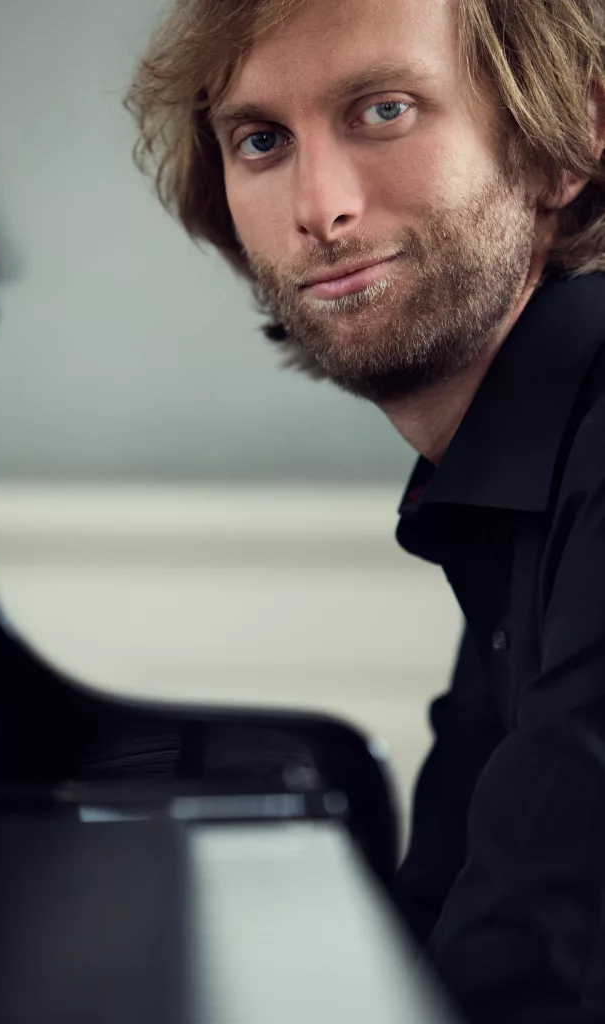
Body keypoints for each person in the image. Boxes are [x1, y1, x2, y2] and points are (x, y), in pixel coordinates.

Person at [125, 0, 605, 1020]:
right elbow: (436, 927)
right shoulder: (502, 481)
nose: (319, 206)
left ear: (568, 140)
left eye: (382, 110)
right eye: (260, 141)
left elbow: (533, 969)